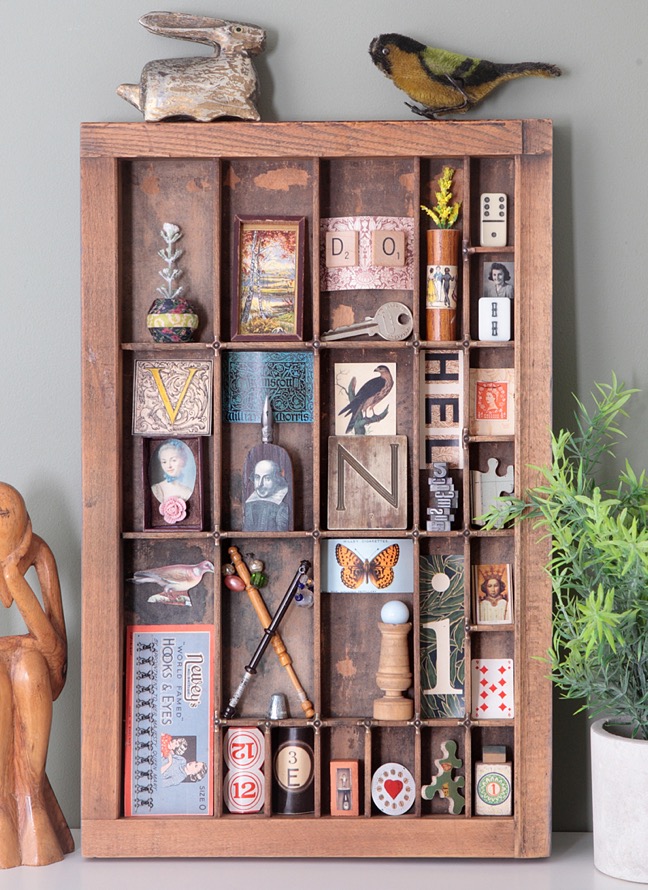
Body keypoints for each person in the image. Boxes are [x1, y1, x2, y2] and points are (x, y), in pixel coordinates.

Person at [243, 458, 290, 531]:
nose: (260, 484)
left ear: (276, 480)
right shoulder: (247, 506)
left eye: (267, 478)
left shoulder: (282, 509)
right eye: (257, 477)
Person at [150, 439, 195, 503]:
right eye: (164, 462)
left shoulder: (188, 492)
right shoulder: (157, 489)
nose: (169, 466)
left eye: (173, 460)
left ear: (182, 461)